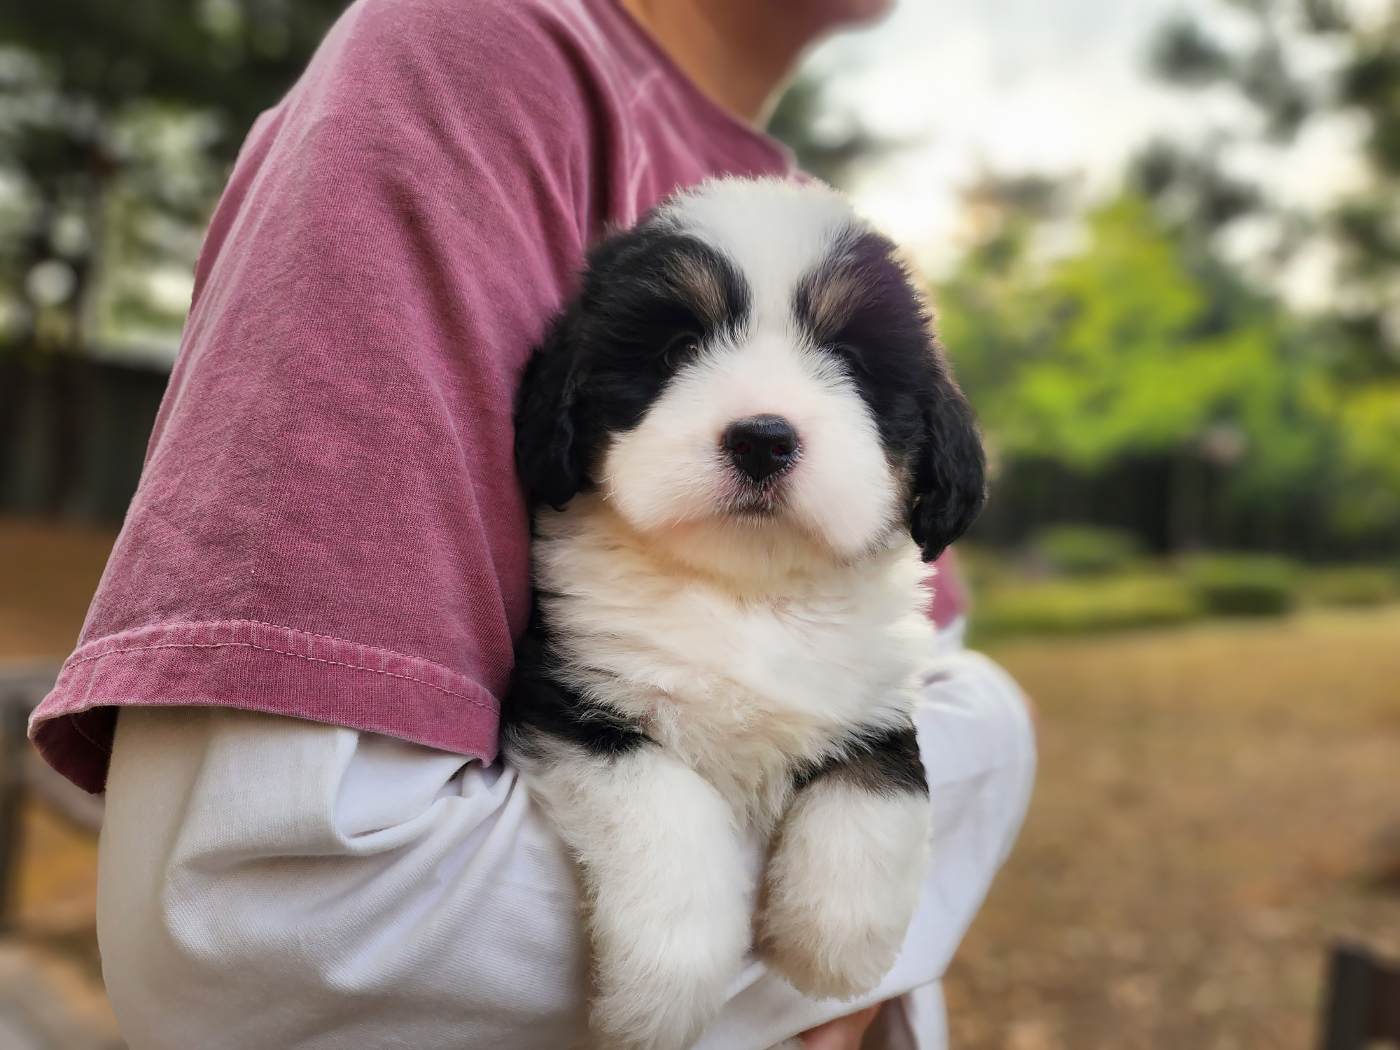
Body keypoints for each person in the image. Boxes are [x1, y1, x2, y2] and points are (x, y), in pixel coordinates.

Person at [28, 0, 1036, 1046]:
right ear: (569, 413)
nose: (767, 415)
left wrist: (917, 785)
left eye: (847, 368)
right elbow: (258, 932)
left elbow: (900, 751)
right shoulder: (462, 62)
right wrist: (993, 742)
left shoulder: (804, 211)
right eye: (674, 353)